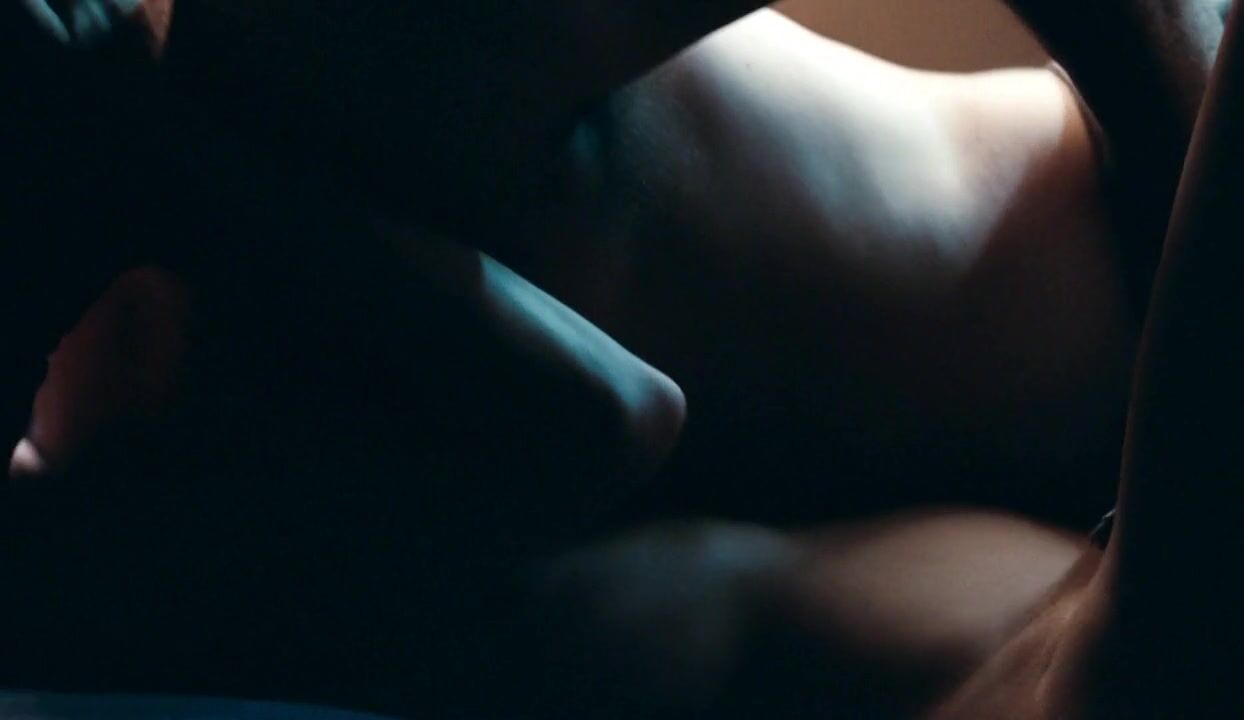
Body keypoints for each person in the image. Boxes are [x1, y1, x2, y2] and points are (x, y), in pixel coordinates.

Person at [0, 0, 1230, 717]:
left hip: (1110, 274)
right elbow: (599, 424)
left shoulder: (333, 50)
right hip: (1031, 612)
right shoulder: (107, 538)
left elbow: (604, 418)